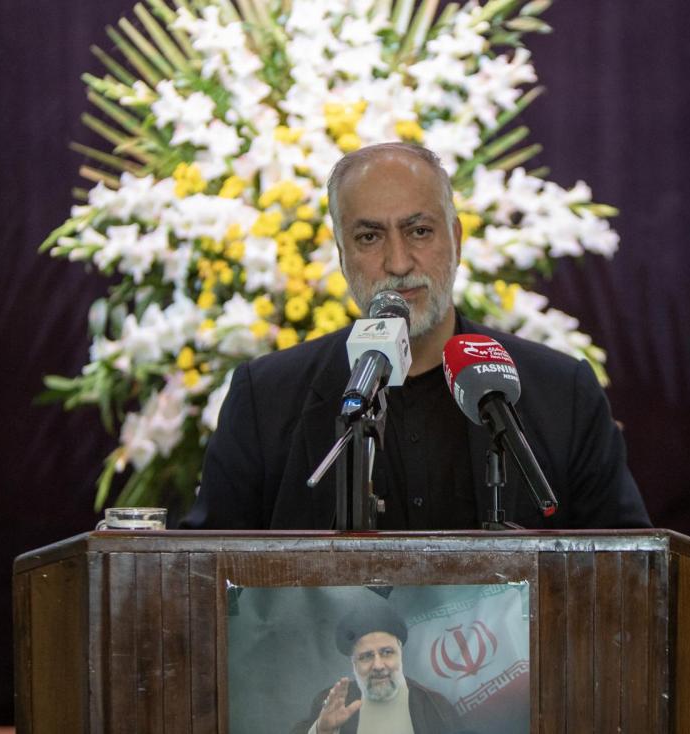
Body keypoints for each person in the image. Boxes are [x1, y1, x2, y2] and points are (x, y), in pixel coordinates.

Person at [181, 142, 650, 530]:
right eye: (369, 237)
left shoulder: (563, 392)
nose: (399, 262)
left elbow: (629, 573)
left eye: (419, 231)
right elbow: (203, 575)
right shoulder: (266, 398)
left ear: (457, 240)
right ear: (341, 256)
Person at [292, 603, 460, 734]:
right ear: (353, 663)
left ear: (400, 654)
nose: (378, 666)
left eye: (387, 652)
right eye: (366, 656)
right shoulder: (330, 704)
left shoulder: (435, 706)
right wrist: (323, 730)